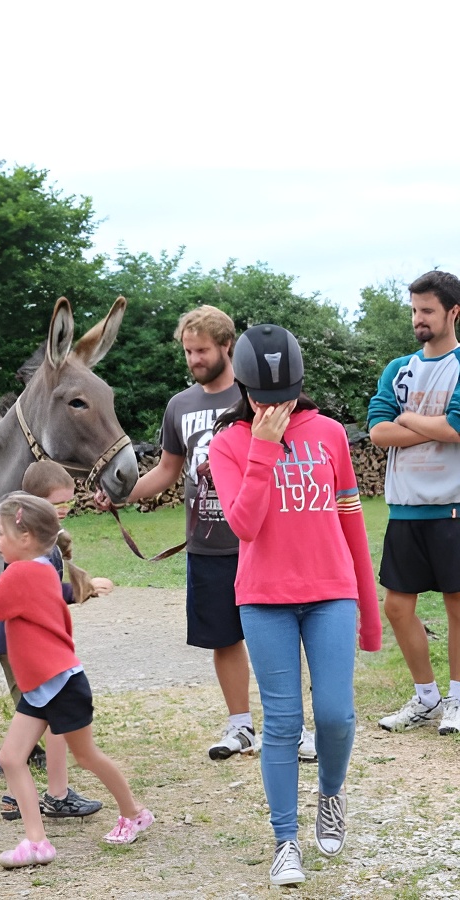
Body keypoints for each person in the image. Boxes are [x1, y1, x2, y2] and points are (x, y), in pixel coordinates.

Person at [94, 305, 316, 763]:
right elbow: (168, 471)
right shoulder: (180, 405)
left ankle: (293, 728)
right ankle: (240, 726)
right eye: (188, 351)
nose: (193, 359)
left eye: (201, 350)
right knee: (222, 636)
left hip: (259, 540)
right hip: (207, 542)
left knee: (279, 637)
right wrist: (124, 496)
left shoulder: (258, 394)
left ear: (226, 346)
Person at [209, 324, 382, 887]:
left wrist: (370, 612)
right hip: (265, 600)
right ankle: (285, 840)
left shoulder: (330, 433)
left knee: (336, 715)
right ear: (243, 387)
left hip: (332, 594)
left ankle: (331, 796)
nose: (274, 407)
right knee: (282, 722)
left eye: (283, 398)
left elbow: (352, 522)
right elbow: (243, 525)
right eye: (262, 398)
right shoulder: (228, 443)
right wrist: (261, 449)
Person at [0, 492, 152, 868]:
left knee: (85, 756)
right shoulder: (42, 567)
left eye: (0, 533)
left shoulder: (22, 575)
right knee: (12, 757)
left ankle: (134, 813)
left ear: (24, 537)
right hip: (45, 686)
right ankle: (37, 842)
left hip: (59, 686)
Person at [367, 270, 460, 736]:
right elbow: (379, 432)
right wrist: (429, 422)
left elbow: (456, 430)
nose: (417, 319)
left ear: (453, 312)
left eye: (427, 311)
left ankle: (458, 701)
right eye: (414, 310)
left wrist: (410, 417)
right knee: (397, 608)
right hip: (404, 508)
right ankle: (427, 698)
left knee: (456, 605)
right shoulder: (397, 368)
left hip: (452, 507)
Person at [0, 460, 113, 823]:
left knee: (43, 719)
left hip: (30, 648)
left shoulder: (40, 539)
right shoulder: (34, 545)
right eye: (56, 502)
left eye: (68, 502)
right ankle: (52, 796)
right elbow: (38, 594)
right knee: (54, 719)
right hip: (25, 649)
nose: (64, 509)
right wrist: (85, 589)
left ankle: (20, 797)